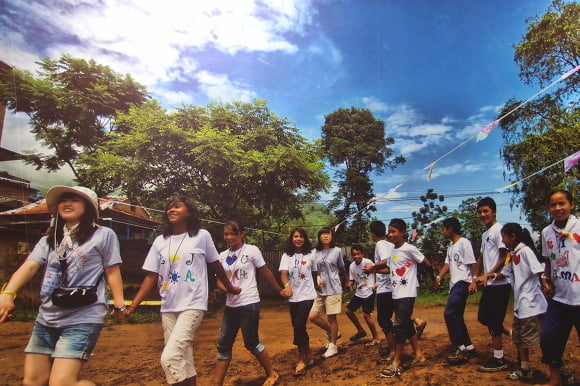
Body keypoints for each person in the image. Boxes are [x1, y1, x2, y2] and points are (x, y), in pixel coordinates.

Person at [0, 185, 126, 386]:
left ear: (89, 207)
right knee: (33, 381)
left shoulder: (103, 235)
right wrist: (8, 293)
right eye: (63, 200)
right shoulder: (49, 240)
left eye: (75, 200)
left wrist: (119, 304)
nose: (67, 203)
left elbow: (112, 270)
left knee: (62, 383)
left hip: (83, 317)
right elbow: (30, 267)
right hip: (47, 317)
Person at [126, 195, 240, 386]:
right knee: (183, 357)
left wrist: (229, 287)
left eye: (177, 207)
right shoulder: (160, 241)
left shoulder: (201, 236)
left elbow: (216, 265)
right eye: (169, 207)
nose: (171, 209)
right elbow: (151, 276)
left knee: (169, 358)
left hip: (193, 303)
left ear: (190, 212)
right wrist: (133, 306)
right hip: (168, 306)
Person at [212, 221, 283, 386]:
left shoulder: (252, 250)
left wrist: (279, 290)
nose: (229, 237)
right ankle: (217, 383)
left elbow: (265, 272)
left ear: (242, 233)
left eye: (232, 233)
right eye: (226, 234)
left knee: (251, 342)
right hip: (231, 306)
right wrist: (228, 289)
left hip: (249, 303)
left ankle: (272, 373)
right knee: (223, 344)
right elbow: (219, 282)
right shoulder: (222, 256)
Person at [493, 223, 547, 381]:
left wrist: (545, 287)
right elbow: (505, 273)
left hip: (531, 305)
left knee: (538, 340)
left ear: (513, 237)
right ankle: (525, 368)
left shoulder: (525, 251)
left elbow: (539, 271)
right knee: (518, 338)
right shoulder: (513, 254)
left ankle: (560, 369)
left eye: (504, 237)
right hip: (520, 305)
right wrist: (491, 276)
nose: (502, 241)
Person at [538, 190, 579, 386]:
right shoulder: (547, 232)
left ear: (571, 205)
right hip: (559, 297)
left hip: (579, 296)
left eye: (562, 203)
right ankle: (555, 379)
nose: (558, 208)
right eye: (553, 205)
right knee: (549, 337)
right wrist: (545, 279)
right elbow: (547, 261)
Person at [380, 218, 429, 378]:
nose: (390, 234)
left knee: (399, 326)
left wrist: (430, 277)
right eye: (389, 231)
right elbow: (391, 269)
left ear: (402, 232)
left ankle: (397, 361)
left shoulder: (410, 249)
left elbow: (425, 262)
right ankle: (419, 355)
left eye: (393, 231)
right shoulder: (392, 250)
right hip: (396, 293)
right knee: (407, 325)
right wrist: (374, 270)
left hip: (407, 293)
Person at [470, 196, 511, 372]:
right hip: (490, 284)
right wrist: (475, 276)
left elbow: (503, 257)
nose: (482, 215)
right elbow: (480, 257)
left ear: (493, 211)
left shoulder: (498, 230)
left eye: (485, 211)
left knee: (493, 321)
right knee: (484, 317)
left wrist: (488, 274)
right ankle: (512, 334)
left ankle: (499, 358)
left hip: (500, 282)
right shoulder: (485, 234)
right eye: (479, 212)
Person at [434, 217, 477, 365]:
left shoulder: (464, 243)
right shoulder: (451, 247)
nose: (442, 232)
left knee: (449, 313)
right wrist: (440, 276)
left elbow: (472, 263)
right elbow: (447, 264)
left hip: (462, 282)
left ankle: (460, 347)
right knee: (457, 316)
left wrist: (474, 281)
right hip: (454, 285)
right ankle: (469, 346)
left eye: (444, 228)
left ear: (450, 228)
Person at [279, 227, 319, 376]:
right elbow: (283, 274)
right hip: (293, 296)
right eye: (296, 236)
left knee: (298, 325)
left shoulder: (311, 254)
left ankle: (301, 358)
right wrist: (287, 286)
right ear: (291, 238)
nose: (298, 239)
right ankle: (308, 353)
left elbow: (314, 272)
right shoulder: (286, 256)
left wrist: (317, 283)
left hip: (308, 295)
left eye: (301, 236)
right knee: (299, 326)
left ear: (305, 239)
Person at [308, 227, 347, 359]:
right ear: (319, 237)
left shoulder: (337, 251)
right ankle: (333, 333)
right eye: (323, 234)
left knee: (331, 318)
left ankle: (333, 345)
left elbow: (341, 267)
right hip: (319, 289)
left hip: (334, 288)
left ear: (332, 236)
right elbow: (312, 270)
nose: (325, 236)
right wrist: (316, 280)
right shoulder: (314, 252)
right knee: (313, 316)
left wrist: (347, 281)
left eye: (328, 234)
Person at [364, 221, 396, 358]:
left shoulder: (380, 244)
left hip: (386, 288)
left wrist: (372, 267)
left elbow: (386, 261)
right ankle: (394, 346)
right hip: (393, 286)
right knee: (394, 318)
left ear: (372, 234)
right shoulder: (391, 244)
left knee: (383, 319)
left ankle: (393, 349)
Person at [345, 244, 379, 345]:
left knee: (366, 315)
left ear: (362, 254)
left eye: (358, 254)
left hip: (369, 291)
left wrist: (376, 283)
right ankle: (360, 330)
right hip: (359, 292)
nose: (356, 256)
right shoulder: (352, 266)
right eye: (354, 255)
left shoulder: (368, 262)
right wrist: (348, 284)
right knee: (348, 310)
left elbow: (377, 271)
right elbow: (352, 280)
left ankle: (376, 337)